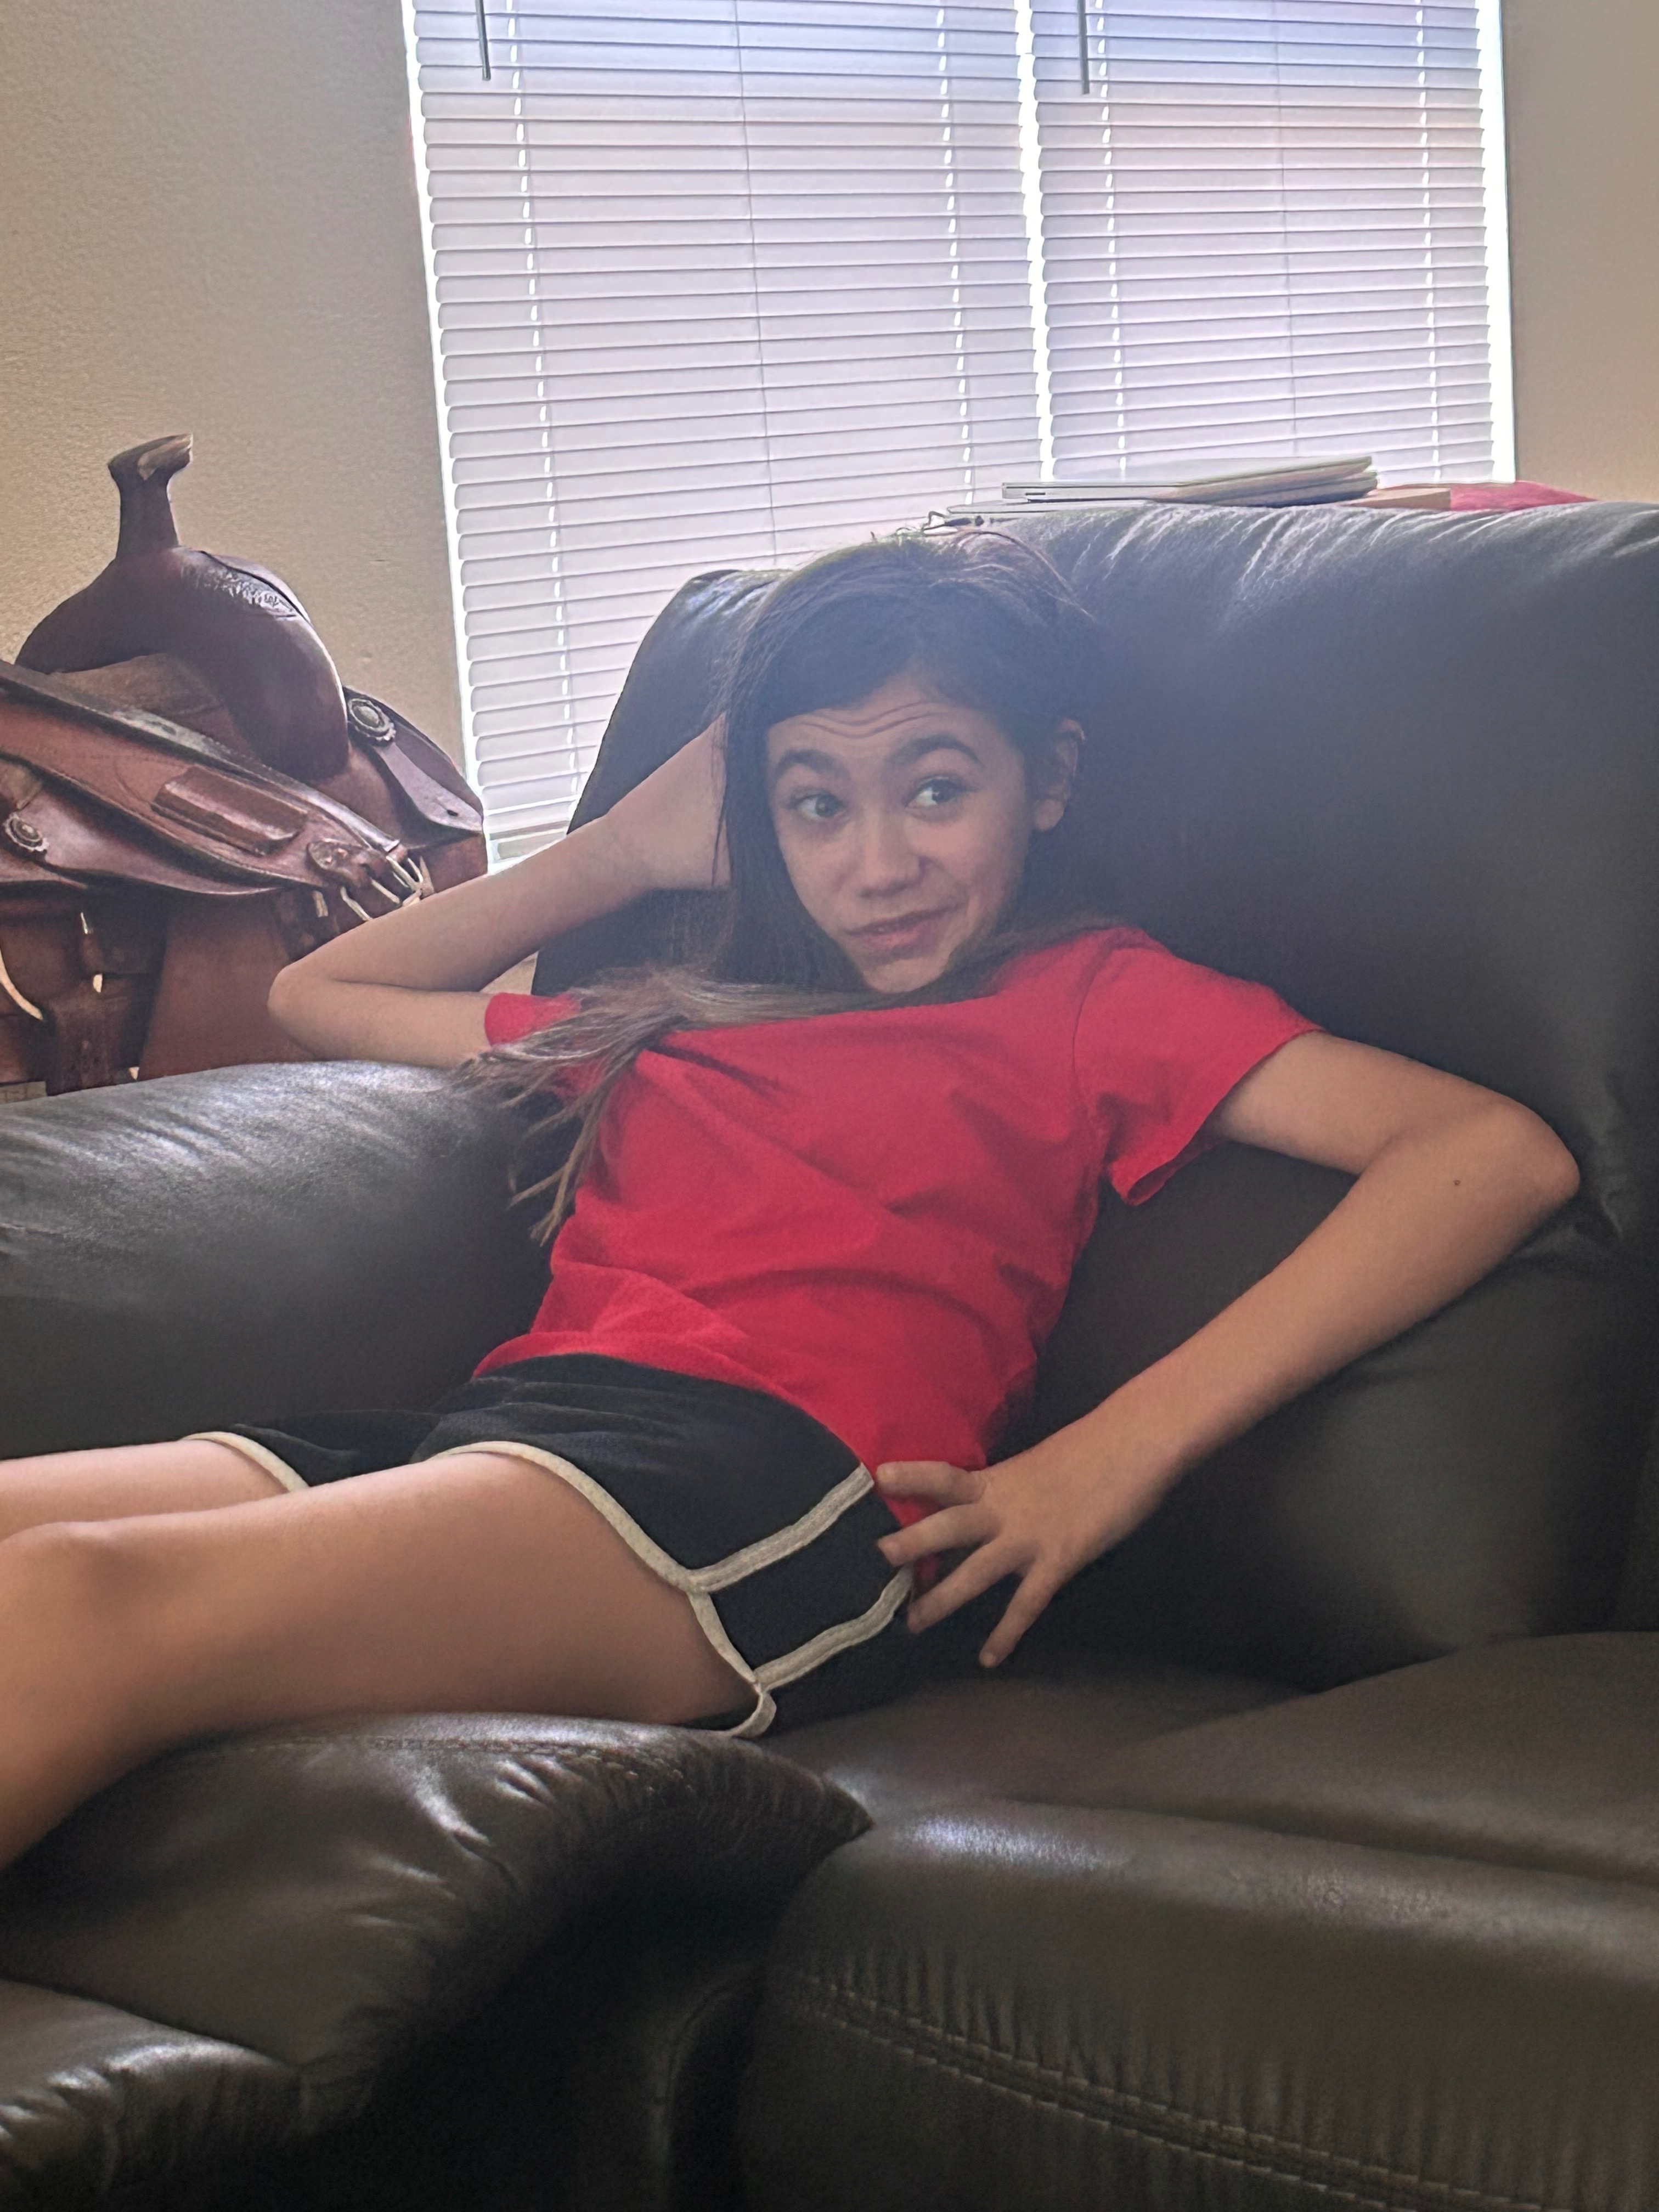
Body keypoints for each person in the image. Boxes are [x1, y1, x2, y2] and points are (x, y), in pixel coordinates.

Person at [0, 531, 1577, 1871]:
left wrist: (1114, 1454)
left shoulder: (1093, 997)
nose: (876, 864)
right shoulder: (672, 1019)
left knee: (82, 1600)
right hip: (498, 1433)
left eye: (934, 790)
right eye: (815, 804)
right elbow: (321, 995)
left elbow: (1485, 1154)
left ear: (1047, 780)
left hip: (755, 1491)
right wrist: (620, 852)